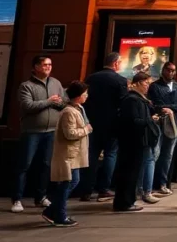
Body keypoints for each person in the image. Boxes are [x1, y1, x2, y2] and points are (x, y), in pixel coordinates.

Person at [12, 55, 64, 213]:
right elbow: (27, 105)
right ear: (35, 67)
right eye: (44, 65)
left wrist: (58, 102)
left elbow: (64, 101)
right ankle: (17, 199)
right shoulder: (26, 86)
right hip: (32, 131)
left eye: (50, 65)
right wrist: (49, 102)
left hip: (51, 131)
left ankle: (40, 197)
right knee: (24, 165)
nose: (48, 67)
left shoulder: (56, 83)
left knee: (46, 165)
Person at [113, 73, 167, 212]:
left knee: (133, 172)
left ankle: (128, 200)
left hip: (137, 141)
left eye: (148, 83)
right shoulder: (132, 100)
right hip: (131, 141)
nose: (147, 86)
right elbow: (133, 121)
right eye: (145, 83)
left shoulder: (141, 100)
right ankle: (125, 202)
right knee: (129, 172)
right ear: (136, 83)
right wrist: (150, 120)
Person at [78, 52, 128, 201]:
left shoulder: (91, 78)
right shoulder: (120, 80)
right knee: (110, 154)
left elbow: (85, 98)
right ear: (116, 64)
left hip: (91, 123)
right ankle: (104, 189)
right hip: (112, 124)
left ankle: (86, 190)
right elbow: (123, 102)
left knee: (91, 155)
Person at [42, 80, 92, 227]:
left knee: (70, 182)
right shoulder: (68, 112)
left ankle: (52, 211)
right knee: (68, 182)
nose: (87, 96)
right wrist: (86, 130)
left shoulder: (78, 108)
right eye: (85, 94)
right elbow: (70, 134)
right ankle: (59, 215)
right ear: (78, 96)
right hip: (69, 153)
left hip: (74, 153)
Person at [149, 62, 177, 195]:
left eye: (173, 71)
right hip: (159, 124)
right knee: (156, 153)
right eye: (169, 70)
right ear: (163, 70)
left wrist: (171, 108)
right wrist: (168, 107)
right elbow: (156, 104)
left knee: (168, 156)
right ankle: (150, 184)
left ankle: (163, 183)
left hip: (174, 124)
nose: (171, 73)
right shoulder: (155, 86)